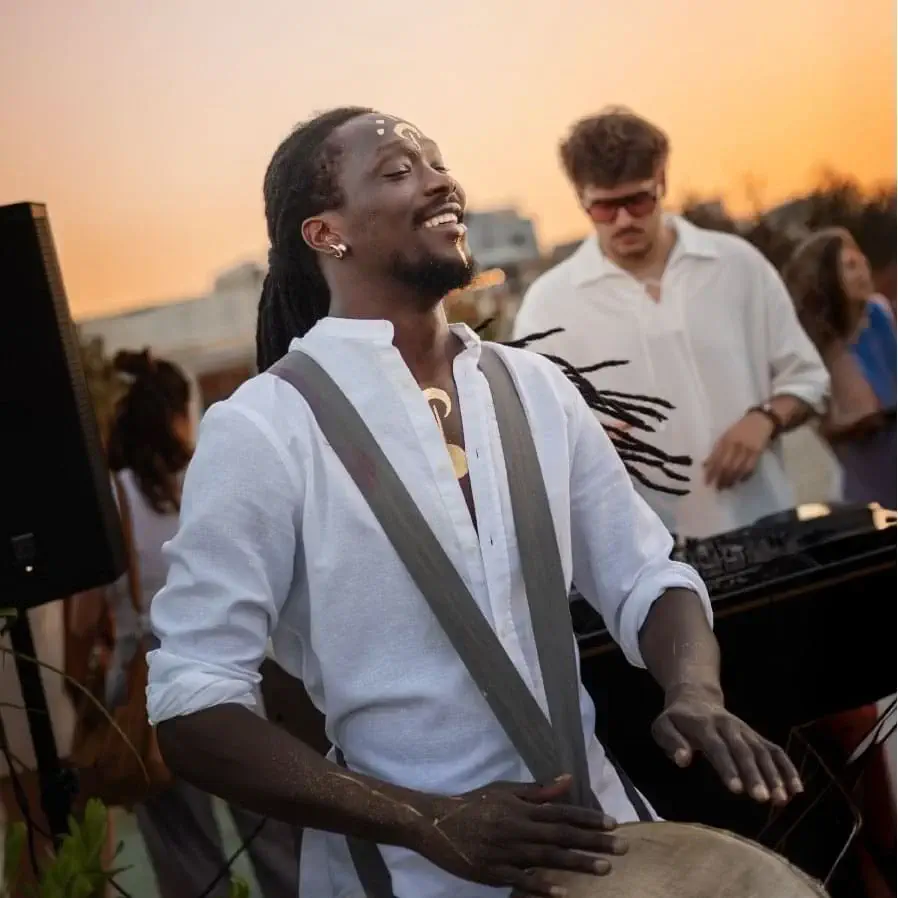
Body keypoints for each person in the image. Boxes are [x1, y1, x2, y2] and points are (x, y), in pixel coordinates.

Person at [146, 107, 803, 898]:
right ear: (326, 234)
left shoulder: (535, 389)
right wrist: (428, 820)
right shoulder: (261, 428)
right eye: (397, 172)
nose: (439, 183)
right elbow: (192, 704)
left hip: (608, 847)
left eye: (436, 163)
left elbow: (646, 577)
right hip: (409, 877)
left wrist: (695, 690)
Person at [513, 107, 830, 539]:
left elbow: (809, 378)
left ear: (662, 180)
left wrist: (766, 418)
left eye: (638, 201)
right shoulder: (547, 305)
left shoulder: (737, 264)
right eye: (605, 208)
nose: (624, 220)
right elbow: (532, 442)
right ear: (581, 200)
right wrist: (584, 444)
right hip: (642, 558)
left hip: (767, 523)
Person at [72, 350, 298, 898]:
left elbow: (82, 618)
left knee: (183, 847)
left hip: (146, 682)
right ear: (179, 412)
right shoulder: (211, 476)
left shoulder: (116, 496)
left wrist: (80, 688)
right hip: (234, 671)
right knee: (270, 833)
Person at [784, 227, 896, 509]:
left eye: (861, 260)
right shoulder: (822, 345)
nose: (864, 268)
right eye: (850, 265)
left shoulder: (878, 312)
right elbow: (861, 415)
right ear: (827, 280)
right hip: (874, 476)